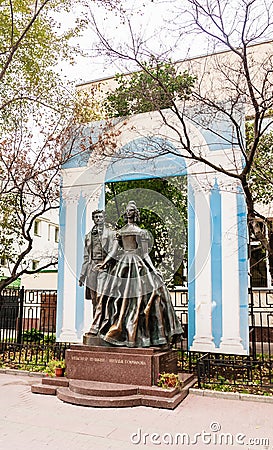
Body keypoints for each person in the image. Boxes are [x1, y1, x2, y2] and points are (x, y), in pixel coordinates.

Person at [89, 200, 183, 348]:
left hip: (137, 264)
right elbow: (113, 251)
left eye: (131, 210)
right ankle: (113, 329)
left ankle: (144, 336)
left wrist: (153, 269)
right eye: (127, 210)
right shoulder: (119, 232)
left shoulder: (141, 232)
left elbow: (145, 254)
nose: (128, 212)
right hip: (122, 265)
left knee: (148, 295)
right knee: (114, 296)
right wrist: (105, 262)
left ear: (135, 213)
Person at [79, 210, 114, 312]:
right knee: (94, 299)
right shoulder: (88, 236)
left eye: (100, 217)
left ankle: (103, 322)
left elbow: (113, 251)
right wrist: (82, 275)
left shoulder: (110, 234)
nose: (98, 219)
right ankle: (95, 323)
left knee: (101, 296)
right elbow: (86, 257)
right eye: (96, 217)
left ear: (104, 218)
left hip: (105, 267)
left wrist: (106, 263)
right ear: (93, 219)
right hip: (91, 269)